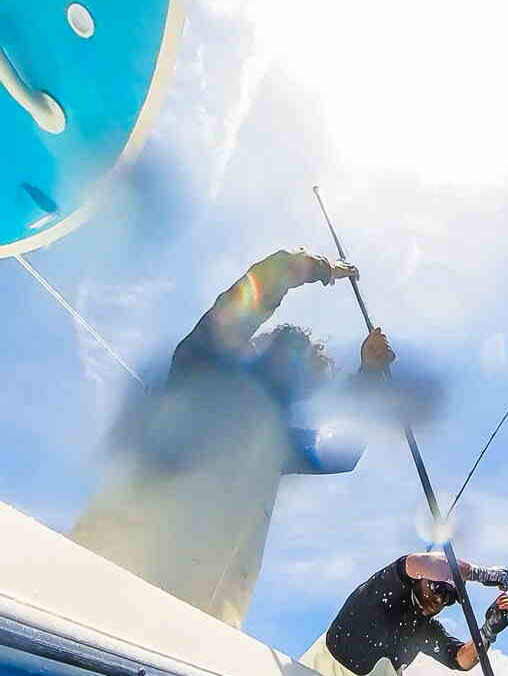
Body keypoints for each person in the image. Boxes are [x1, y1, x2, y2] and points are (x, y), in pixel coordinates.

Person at [70, 249, 394, 628]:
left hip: (180, 620)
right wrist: (325, 269)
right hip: (102, 575)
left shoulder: (279, 443)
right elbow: (269, 275)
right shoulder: (202, 364)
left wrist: (371, 373)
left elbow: (345, 450)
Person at [301, 553, 508, 676]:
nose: (441, 600)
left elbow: (461, 660)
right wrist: (481, 574)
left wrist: (489, 631)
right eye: (438, 588)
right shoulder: (383, 592)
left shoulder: (425, 630)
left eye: (450, 598)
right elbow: (418, 562)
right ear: (419, 579)